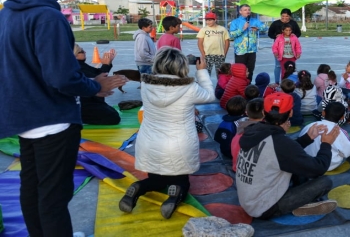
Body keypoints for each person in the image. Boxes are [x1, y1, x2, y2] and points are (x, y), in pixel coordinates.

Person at [0, 0, 127, 236]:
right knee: (54, 198)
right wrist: (97, 86)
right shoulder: (47, 17)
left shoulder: (6, 15)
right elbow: (62, 78)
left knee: (32, 189)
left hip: (23, 120)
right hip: (52, 121)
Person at [119, 47, 215, 219]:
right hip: (178, 145)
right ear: (182, 66)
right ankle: (176, 193)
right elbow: (210, 96)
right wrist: (202, 72)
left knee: (157, 179)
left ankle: (139, 187)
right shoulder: (190, 88)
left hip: (149, 143)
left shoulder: (146, 85)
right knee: (181, 180)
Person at [236, 92, 340, 218]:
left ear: (264, 113)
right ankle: (298, 204)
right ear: (290, 113)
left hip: (247, 200)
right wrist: (326, 144)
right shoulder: (280, 143)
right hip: (263, 208)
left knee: (298, 163)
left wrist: (307, 138)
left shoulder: (253, 131)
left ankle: (298, 200)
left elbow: (284, 152)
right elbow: (319, 168)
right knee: (325, 182)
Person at [74, 44, 121, 125]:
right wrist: (106, 65)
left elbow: (97, 74)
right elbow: (96, 79)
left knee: (111, 112)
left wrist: (107, 64)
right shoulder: (77, 67)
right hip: (85, 104)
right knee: (113, 118)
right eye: (81, 51)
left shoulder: (80, 65)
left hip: (91, 101)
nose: (85, 52)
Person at [299, 102, 350, 171]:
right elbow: (349, 152)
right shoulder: (338, 132)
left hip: (305, 160)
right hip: (326, 165)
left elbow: (300, 142)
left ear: (323, 113)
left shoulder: (310, 126)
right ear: (342, 117)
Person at [229, 4, 266, 81]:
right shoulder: (235, 22)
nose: (248, 11)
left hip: (252, 50)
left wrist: (258, 28)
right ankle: (240, 88)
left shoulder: (254, 21)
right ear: (240, 11)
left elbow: (265, 27)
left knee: (250, 71)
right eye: (245, 10)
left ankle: (248, 88)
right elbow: (232, 35)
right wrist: (243, 29)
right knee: (239, 71)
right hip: (240, 51)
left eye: (249, 10)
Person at [268, 8, 302, 83]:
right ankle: (277, 82)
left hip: (291, 50)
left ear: (290, 16)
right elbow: (269, 34)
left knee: (291, 66)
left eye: (286, 16)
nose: (284, 18)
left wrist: (294, 35)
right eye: (283, 16)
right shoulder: (275, 23)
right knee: (278, 66)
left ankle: (291, 81)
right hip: (279, 49)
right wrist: (276, 36)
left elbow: (299, 33)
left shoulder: (293, 23)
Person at [231, 98, 265, 171]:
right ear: (264, 112)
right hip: (249, 172)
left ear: (246, 112)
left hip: (237, 167)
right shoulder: (262, 133)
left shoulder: (240, 126)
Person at [197, 11, 230, 76]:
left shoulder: (222, 29)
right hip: (208, 54)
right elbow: (199, 43)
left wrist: (224, 53)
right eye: (206, 20)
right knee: (206, 73)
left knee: (220, 74)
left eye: (210, 20)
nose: (208, 22)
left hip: (220, 55)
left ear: (215, 20)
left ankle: (220, 86)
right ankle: (205, 86)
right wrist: (203, 54)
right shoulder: (203, 30)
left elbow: (227, 42)